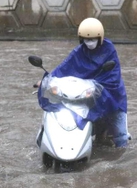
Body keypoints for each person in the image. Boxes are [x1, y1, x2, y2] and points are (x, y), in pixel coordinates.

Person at [48, 17, 130, 148]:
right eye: (86, 39)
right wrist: (47, 80)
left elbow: (113, 77)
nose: (89, 42)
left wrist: (96, 87)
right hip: (87, 95)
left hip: (110, 97)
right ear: (81, 39)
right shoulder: (79, 52)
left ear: (100, 38)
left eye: (92, 39)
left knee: (120, 136)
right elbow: (63, 68)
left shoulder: (109, 50)